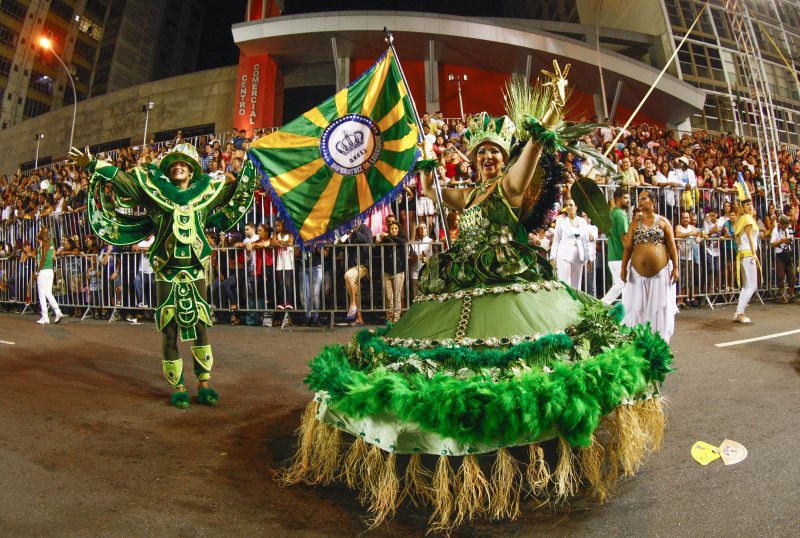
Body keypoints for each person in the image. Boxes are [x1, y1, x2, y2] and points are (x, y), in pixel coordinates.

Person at [282, 72, 673, 530]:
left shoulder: (509, 187)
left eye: (494, 153)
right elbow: (433, 193)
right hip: (456, 285)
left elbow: (528, 158)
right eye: (481, 153)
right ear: (472, 161)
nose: (487, 157)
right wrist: (426, 165)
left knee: (529, 365)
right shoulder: (467, 195)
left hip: (509, 282)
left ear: (503, 160)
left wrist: (542, 124)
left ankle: (534, 445)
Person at [68, 142, 257, 408]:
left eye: (184, 164)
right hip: (166, 271)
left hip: (195, 269)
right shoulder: (153, 193)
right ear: (168, 171)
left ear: (192, 171)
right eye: (173, 164)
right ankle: (178, 386)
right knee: (170, 329)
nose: (178, 167)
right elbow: (123, 181)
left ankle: (204, 383)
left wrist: (253, 163)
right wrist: (92, 164)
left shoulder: (207, 193)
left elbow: (236, 191)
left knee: (201, 326)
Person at [620, 190, 679, 342]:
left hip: (660, 273)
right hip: (637, 275)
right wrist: (623, 268)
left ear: (652, 202)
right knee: (638, 308)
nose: (640, 201)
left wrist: (676, 268)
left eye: (644, 198)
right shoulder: (634, 223)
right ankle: (639, 341)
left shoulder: (663, 222)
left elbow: (672, 246)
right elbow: (628, 248)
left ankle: (660, 342)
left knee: (658, 309)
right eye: (639, 199)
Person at [549, 198, 592, 289]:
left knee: (577, 285)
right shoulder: (560, 221)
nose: (568, 207)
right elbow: (556, 240)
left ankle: (576, 303)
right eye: (566, 205)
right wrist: (553, 257)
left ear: (576, 207)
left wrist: (589, 258)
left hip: (578, 257)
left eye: (571, 205)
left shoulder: (582, 222)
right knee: (565, 284)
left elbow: (586, 241)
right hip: (564, 256)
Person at [28, 227, 64, 325]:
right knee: (48, 293)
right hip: (50, 270)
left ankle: (45, 317)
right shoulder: (51, 242)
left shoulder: (44, 243)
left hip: (43, 270)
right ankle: (58, 312)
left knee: (42, 294)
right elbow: (53, 256)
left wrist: (37, 271)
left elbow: (43, 257)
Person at [601, 188, 630, 304]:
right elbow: (624, 238)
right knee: (620, 285)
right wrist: (630, 254)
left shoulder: (611, 213)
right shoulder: (621, 214)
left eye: (628, 198)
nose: (628, 201)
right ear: (618, 200)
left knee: (623, 286)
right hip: (620, 256)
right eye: (625, 198)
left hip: (613, 256)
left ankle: (625, 312)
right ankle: (601, 304)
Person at [734, 188, 759, 324]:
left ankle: (739, 311)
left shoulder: (741, 219)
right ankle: (740, 312)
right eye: (747, 204)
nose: (750, 206)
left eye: (751, 204)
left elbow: (739, 239)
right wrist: (755, 254)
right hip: (749, 254)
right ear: (743, 207)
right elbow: (750, 238)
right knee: (752, 285)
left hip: (743, 253)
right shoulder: (747, 218)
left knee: (746, 286)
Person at [376, 220, 407, 323]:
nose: (394, 230)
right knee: (389, 297)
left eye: (396, 228)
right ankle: (390, 317)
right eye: (392, 228)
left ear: (399, 230)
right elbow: (377, 244)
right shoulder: (387, 239)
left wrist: (388, 235)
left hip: (398, 271)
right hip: (387, 272)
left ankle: (396, 318)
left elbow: (401, 242)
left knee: (397, 296)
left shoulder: (402, 239)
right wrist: (379, 239)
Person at [770, 215, 795, 303]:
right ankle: (781, 295)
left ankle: (791, 295)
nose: (786, 227)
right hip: (779, 254)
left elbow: (790, 240)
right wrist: (781, 241)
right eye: (785, 226)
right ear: (780, 224)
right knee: (781, 276)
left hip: (787, 253)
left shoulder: (787, 230)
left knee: (791, 275)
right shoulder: (775, 231)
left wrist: (788, 241)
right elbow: (772, 244)